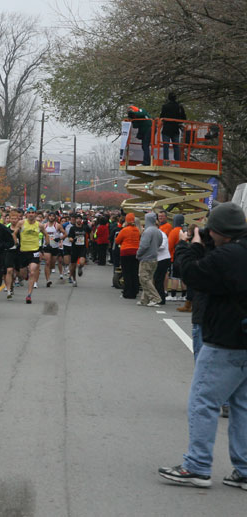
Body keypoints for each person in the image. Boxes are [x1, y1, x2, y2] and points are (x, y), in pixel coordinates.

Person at [159, 202, 247, 489]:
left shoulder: (226, 256)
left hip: (225, 340)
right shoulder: (237, 252)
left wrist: (191, 245)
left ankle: (197, 465)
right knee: (242, 405)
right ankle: (244, 469)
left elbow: (192, 274)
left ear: (218, 231)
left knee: (203, 401)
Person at [14, 206, 49, 303]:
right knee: (22, 273)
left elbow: (46, 234)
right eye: (29, 213)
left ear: (35, 214)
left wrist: (47, 242)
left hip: (34, 251)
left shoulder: (39, 225)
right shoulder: (21, 223)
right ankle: (24, 276)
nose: (31, 214)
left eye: (33, 213)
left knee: (32, 272)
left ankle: (29, 295)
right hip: (23, 251)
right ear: (26, 214)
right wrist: (15, 241)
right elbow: (14, 233)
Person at [136, 212, 162, 307]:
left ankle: (155, 298)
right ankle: (145, 299)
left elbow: (144, 245)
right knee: (149, 278)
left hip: (146, 258)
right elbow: (160, 243)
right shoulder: (157, 231)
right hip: (154, 257)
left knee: (143, 279)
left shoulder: (147, 232)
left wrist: (138, 254)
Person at [115, 213, 141, 299]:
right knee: (134, 272)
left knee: (127, 273)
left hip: (125, 252)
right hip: (136, 252)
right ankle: (135, 290)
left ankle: (127, 292)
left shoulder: (124, 230)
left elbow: (117, 241)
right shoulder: (137, 230)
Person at [159, 92, 186, 161]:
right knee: (176, 146)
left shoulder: (165, 106)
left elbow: (161, 117)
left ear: (168, 98)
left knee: (166, 146)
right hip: (175, 129)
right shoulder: (180, 107)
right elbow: (184, 118)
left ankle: (166, 160)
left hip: (166, 128)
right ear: (175, 98)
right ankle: (177, 160)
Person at [66, 214, 91, 286]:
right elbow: (70, 237)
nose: (79, 220)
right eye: (77, 219)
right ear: (75, 220)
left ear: (81, 220)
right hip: (74, 248)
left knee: (82, 262)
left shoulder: (84, 227)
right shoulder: (73, 228)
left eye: (80, 219)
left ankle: (80, 267)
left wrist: (90, 239)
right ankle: (74, 280)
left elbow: (90, 232)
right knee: (73, 265)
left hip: (82, 247)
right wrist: (72, 240)